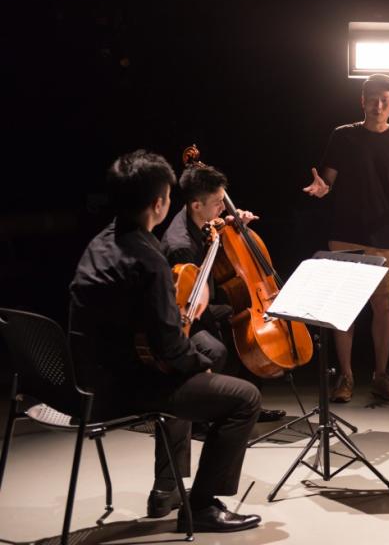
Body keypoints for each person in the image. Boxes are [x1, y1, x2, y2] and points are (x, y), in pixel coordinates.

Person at [69, 150, 262, 532]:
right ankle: (202, 507)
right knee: (244, 398)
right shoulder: (148, 258)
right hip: (121, 386)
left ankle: (167, 487)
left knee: (198, 361)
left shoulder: (101, 242)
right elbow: (169, 348)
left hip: (85, 377)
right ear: (159, 203)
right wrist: (201, 367)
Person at [303, 73, 389, 403]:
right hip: (346, 231)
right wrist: (321, 188)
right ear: (362, 101)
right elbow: (327, 180)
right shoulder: (343, 136)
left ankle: (381, 375)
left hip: (387, 233)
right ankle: (346, 377)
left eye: (384, 100)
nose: (378, 105)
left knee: (382, 305)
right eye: (372, 99)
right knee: (345, 307)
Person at [160, 164, 286, 422]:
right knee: (219, 347)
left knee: (249, 327)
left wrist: (233, 226)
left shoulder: (199, 219)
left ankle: (247, 404)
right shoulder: (181, 245)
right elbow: (189, 304)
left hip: (204, 302)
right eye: (218, 203)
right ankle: (201, 417)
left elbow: (214, 232)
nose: (224, 207)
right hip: (185, 315)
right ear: (197, 205)